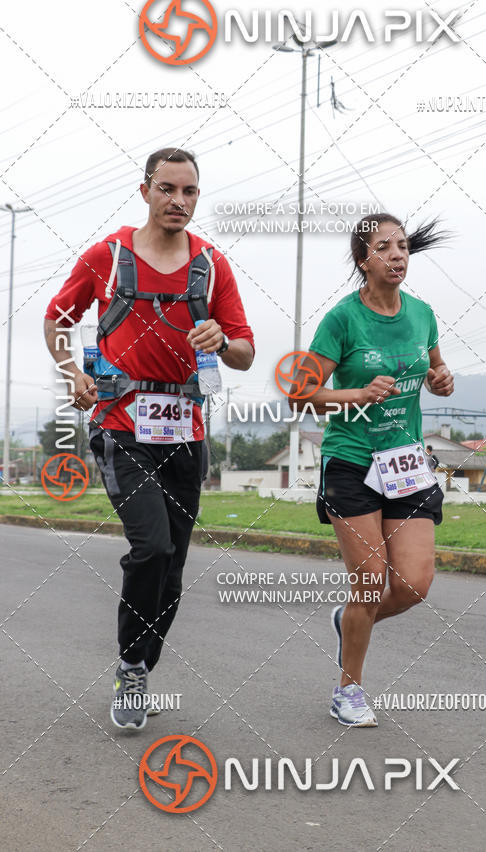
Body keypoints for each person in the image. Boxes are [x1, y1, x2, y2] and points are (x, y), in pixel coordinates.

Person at [44, 147, 254, 730]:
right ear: (145, 192)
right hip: (122, 427)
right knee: (152, 548)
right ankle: (131, 667)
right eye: (167, 189)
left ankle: (138, 660)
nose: (178, 202)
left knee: (174, 566)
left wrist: (220, 340)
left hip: (186, 431)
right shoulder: (109, 257)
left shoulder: (211, 266)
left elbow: (244, 352)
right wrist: (73, 373)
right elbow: (57, 319)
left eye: (189, 192)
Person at [299, 213, 453, 727]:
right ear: (363, 260)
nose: (397, 255)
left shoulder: (423, 313)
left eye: (403, 246)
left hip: (406, 463)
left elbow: (433, 369)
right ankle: (350, 689)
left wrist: (442, 379)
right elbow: (305, 394)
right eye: (383, 247)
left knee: (412, 585)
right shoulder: (342, 320)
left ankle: (348, 622)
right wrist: (357, 394)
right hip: (352, 460)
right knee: (369, 581)